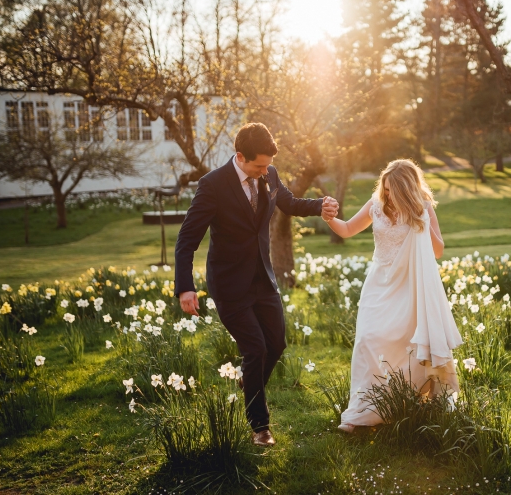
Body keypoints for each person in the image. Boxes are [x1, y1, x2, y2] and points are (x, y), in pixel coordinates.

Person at [174, 122, 339, 446]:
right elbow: (187, 239)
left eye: (268, 165)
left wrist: (319, 205)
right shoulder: (213, 185)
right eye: (259, 165)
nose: (266, 171)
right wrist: (185, 287)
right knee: (255, 348)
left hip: (263, 279)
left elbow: (288, 203)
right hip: (229, 284)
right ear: (240, 156)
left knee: (276, 344)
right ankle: (259, 426)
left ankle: (248, 384)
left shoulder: (270, 173)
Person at [323, 159, 462, 433]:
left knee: (406, 343)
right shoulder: (376, 205)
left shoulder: (422, 207)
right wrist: (328, 218)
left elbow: (438, 250)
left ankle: (407, 403)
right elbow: (349, 229)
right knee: (367, 339)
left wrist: (422, 219)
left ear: (406, 189)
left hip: (410, 284)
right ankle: (360, 412)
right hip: (379, 283)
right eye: (385, 189)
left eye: (392, 190)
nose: (387, 195)